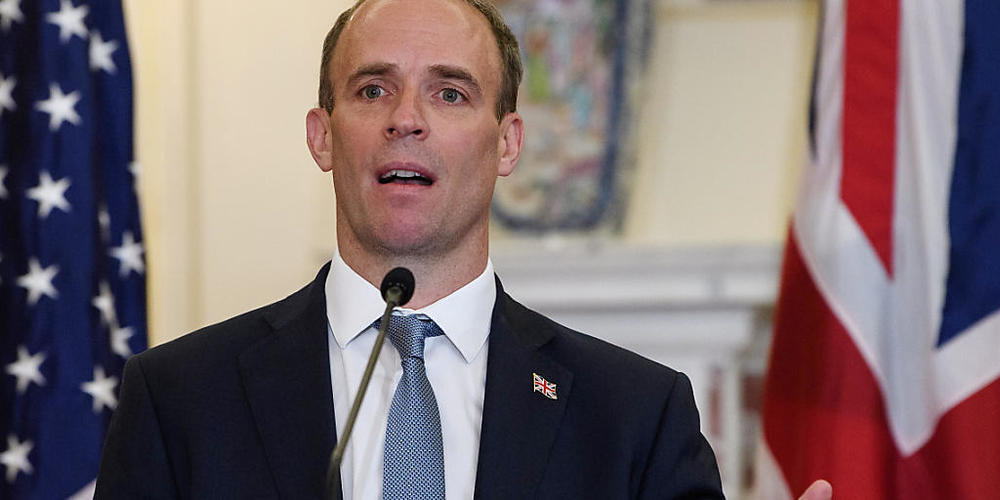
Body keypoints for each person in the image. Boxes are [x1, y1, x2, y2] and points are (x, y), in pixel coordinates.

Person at [96, 1, 830, 499]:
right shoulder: (180, 400)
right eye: (373, 89)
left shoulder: (634, 415)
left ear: (507, 143)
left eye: (450, 94)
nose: (406, 120)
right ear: (323, 135)